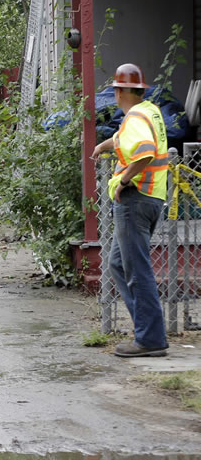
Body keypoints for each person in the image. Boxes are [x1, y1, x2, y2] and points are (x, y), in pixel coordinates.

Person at [91, 63, 170, 358]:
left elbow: (145, 150)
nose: (114, 95)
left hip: (134, 199)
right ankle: (146, 331)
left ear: (121, 91)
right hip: (150, 198)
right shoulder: (149, 111)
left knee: (137, 271)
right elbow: (132, 139)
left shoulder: (135, 116)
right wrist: (105, 144)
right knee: (119, 265)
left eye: (115, 91)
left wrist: (123, 180)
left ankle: (150, 339)